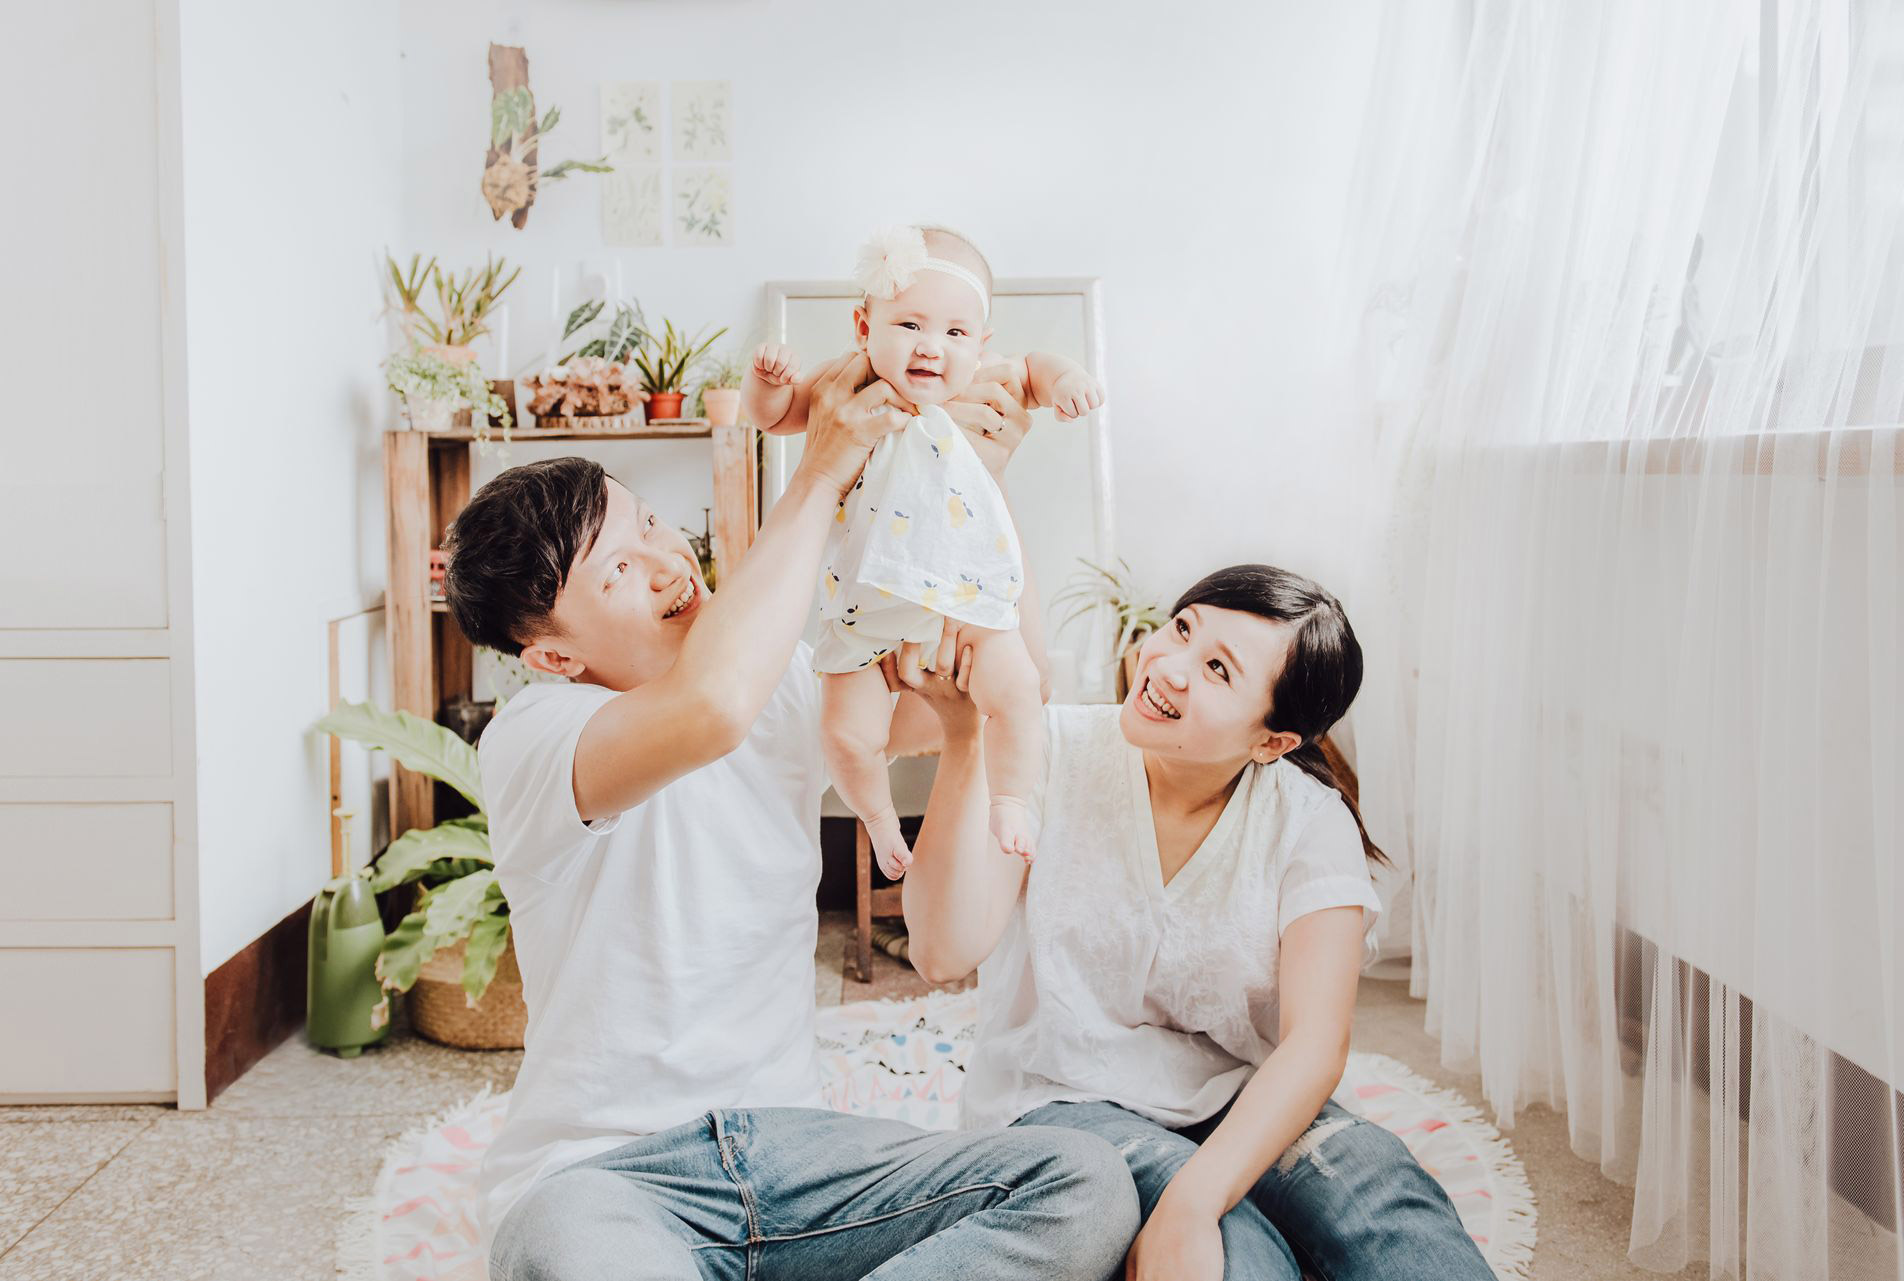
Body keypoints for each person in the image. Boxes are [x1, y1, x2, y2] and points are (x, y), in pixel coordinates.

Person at [444, 355, 1138, 1281]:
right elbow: (710, 707)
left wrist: (986, 487)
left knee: (1082, 1183)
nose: (666, 563)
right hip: (609, 1173)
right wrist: (819, 470)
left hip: (796, 1158)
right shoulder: (536, 736)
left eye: (648, 523)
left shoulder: (788, 688)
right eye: (618, 572)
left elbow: (1015, 687)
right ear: (554, 656)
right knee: (574, 1250)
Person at [897, 564, 1495, 1281]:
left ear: (1273, 742)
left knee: (1380, 1189)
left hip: (1238, 1095)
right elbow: (942, 952)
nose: (1169, 667)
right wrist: (965, 735)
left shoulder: (1308, 821)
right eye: (1182, 629)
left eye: (1217, 669)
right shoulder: (1047, 747)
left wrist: (1194, 1200)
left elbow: (1314, 1043)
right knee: (1243, 1255)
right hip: (1064, 1093)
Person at [741, 223, 1104, 877]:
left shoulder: (983, 382)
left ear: (980, 343)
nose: (932, 347)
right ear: (864, 327)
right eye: (909, 324)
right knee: (846, 733)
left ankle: (1011, 801)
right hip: (867, 608)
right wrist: (767, 382)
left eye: (956, 332)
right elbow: (776, 415)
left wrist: (1066, 378)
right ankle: (879, 819)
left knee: (1020, 690)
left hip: (964, 599)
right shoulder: (850, 383)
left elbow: (1035, 369)